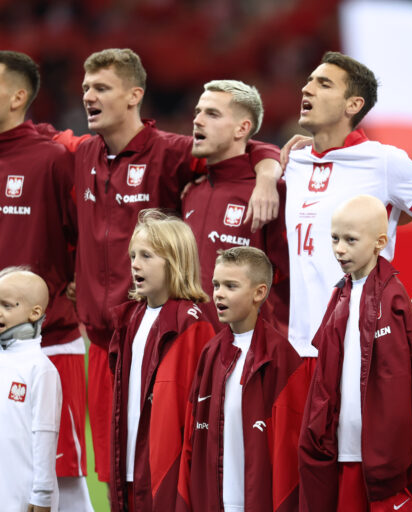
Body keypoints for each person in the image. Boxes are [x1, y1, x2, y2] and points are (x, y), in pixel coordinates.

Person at [72, 48, 280, 482]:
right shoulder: (80, 154)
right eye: (86, 87)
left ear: (134, 95)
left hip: (170, 340)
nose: (88, 95)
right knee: (117, 473)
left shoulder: (171, 156)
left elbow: (248, 148)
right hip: (105, 342)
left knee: (185, 467)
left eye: (101, 87)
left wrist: (267, 176)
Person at [266, 51, 412, 361]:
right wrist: (267, 168)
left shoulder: (384, 161)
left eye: (323, 84)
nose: (306, 89)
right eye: (309, 81)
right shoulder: (293, 161)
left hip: (360, 347)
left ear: (353, 105)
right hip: (299, 347)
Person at [299, 195, 412, 511]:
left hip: (380, 458)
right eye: (334, 238)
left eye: (350, 240)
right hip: (342, 448)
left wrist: (391, 452)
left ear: (379, 243)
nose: (339, 249)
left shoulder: (393, 299)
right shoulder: (340, 293)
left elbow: (406, 385)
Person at [0, 50, 92, 512]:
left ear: (19, 96)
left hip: (47, 342)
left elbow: (92, 231)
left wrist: (85, 279)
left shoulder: (53, 158)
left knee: (61, 473)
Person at [177, 246, 308, 511]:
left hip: (258, 500)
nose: (219, 294)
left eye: (231, 286)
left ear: (259, 293)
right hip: (212, 501)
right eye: (215, 285)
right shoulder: (210, 354)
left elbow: (292, 450)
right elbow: (191, 440)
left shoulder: (283, 358)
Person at [107, 210, 216, 511]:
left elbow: (202, 407)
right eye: (132, 255)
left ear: (175, 261)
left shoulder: (192, 323)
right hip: (129, 467)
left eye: (146, 255)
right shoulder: (131, 318)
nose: (135, 264)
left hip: (165, 471)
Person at [182, 79, 288, 333]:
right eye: (198, 112)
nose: (197, 120)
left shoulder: (272, 193)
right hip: (191, 347)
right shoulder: (191, 191)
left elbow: (288, 280)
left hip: (246, 353)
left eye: (212, 114)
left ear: (242, 129)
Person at [0, 268, 62, 512]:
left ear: (34, 313)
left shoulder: (40, 369)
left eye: (6, 305)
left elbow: (45, 434)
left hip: (24, 499)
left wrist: (42, 494)